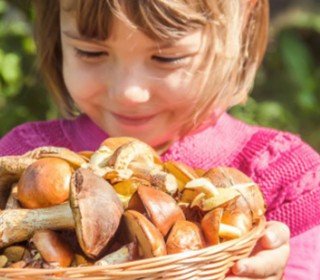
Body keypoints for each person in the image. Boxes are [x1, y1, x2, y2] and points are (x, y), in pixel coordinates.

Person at [1, 0, 319, 279]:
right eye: (90, 52)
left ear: (242, 27)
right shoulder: (20, 160)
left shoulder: (287, 178)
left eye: (166, 57)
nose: (128, 92)